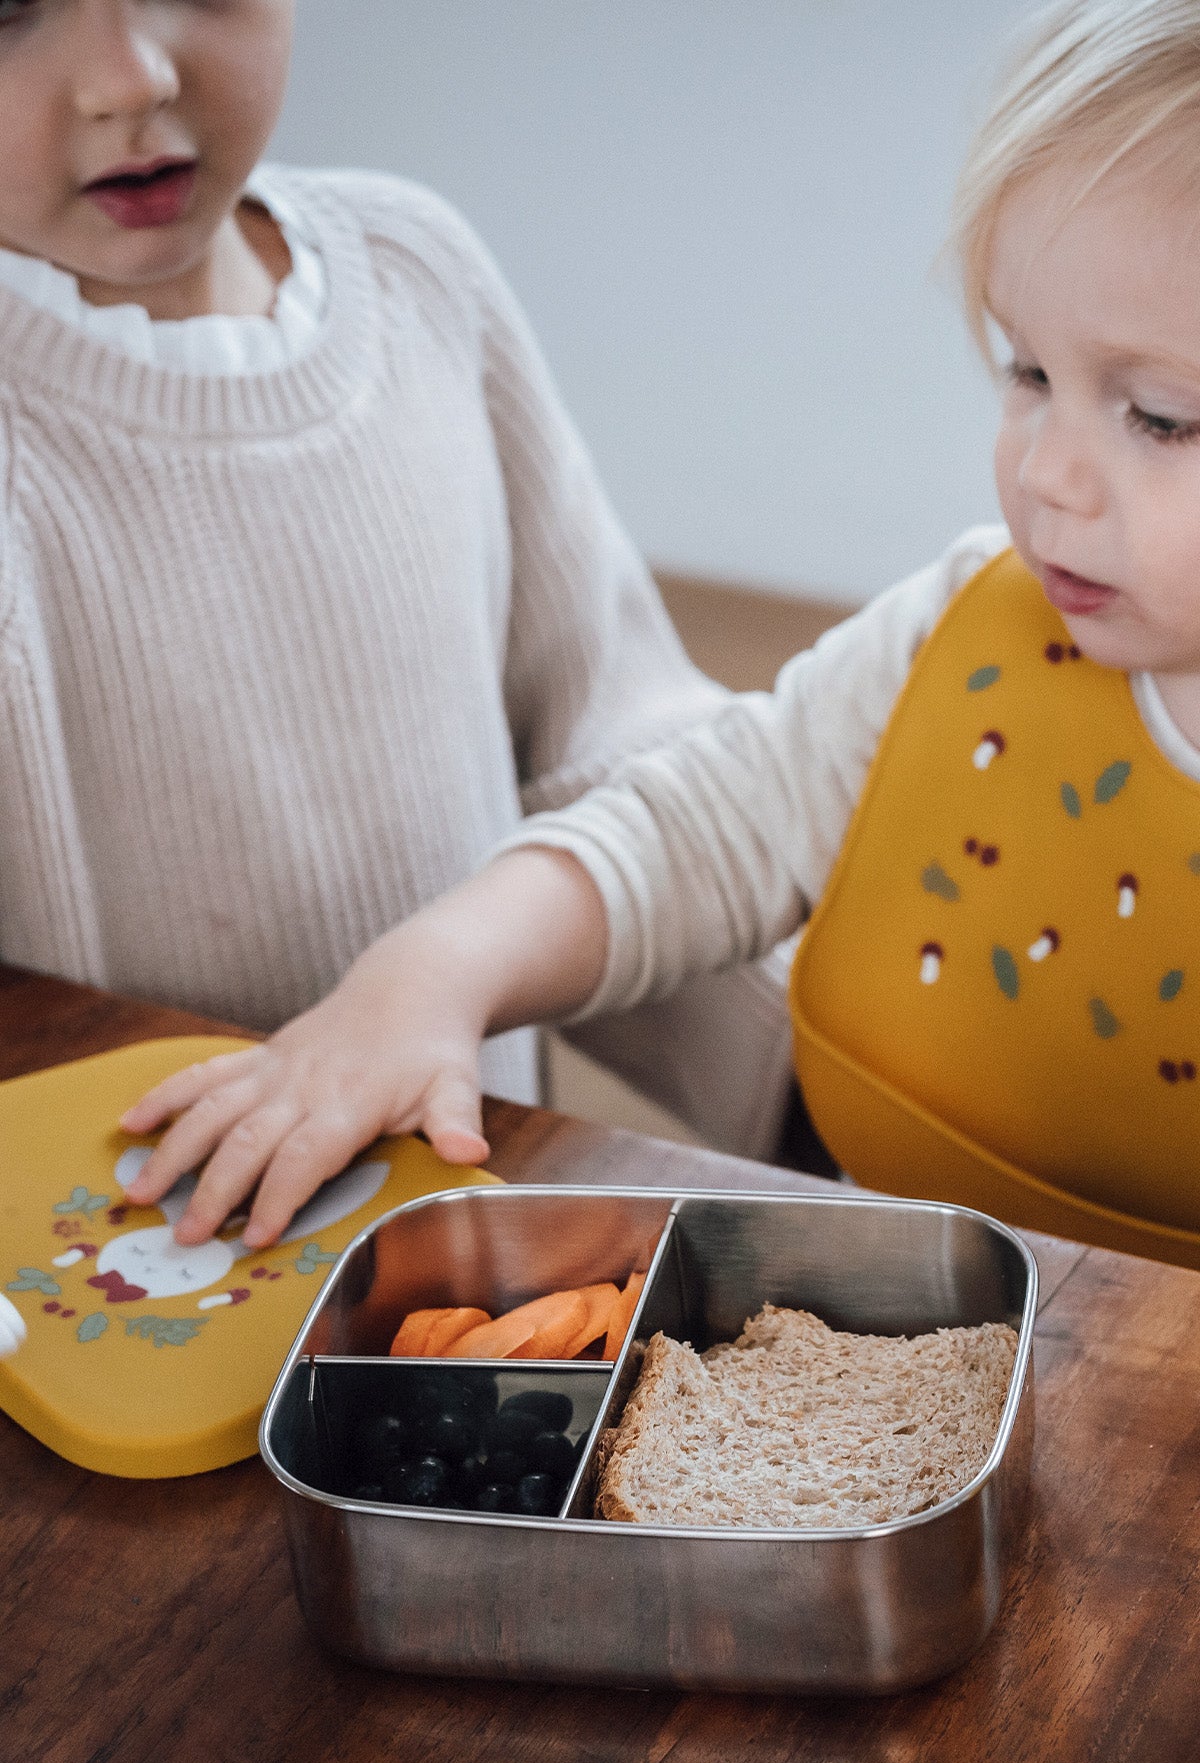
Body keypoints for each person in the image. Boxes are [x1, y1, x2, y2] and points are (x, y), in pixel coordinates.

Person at [131, 0, 1200, 1270]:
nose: (1046, 472)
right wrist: (429, 974)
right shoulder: (952, 635)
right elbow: (695, 827)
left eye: (1157, 416)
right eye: (1027, 374)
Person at [0, 1, 798, 1239]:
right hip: (112, 1296)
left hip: (464, 1259)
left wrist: (850, 1083)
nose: (130, 76)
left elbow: (614, 765)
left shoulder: (417, 270)